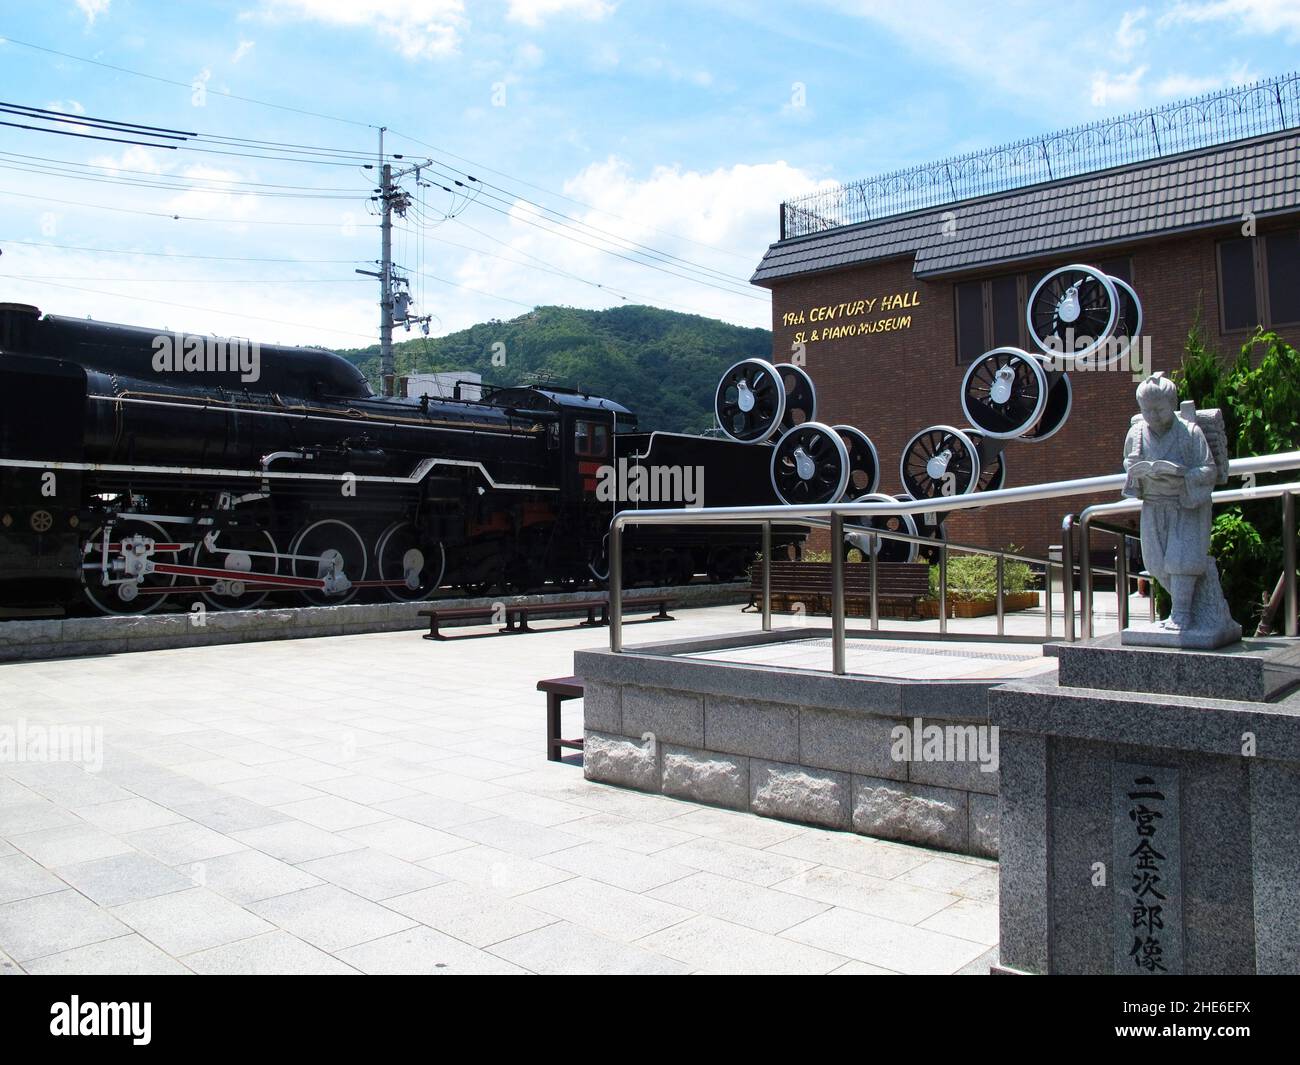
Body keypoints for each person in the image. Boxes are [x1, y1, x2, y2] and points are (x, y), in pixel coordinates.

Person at [1122, 374, 1218, 631]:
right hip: (1153, 505)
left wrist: (1183, 474)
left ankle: (1182, 613)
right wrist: (1135, 469)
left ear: (1173, 404)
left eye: (1160, 410)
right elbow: (1127, 463)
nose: (1153, 416)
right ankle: (1183, 605)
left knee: (1181, 560)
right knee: (1155, 562)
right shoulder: (1137, 433)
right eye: (1146, 410)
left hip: (1184, 505)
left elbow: (1209, 469)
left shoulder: (1189, 432)